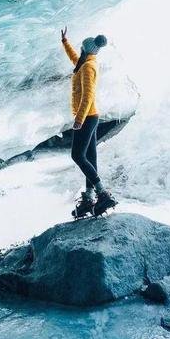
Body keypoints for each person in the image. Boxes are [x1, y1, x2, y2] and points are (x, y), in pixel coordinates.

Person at [61, 26, 117, 218]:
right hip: (90, 116)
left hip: (87, 117)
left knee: (77, 155)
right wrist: (65, 42)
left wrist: (79, 119)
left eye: (81, 48)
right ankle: (89, 198)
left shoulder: (88, 67)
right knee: (90, 158)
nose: (80, 50)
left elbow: (88, 95)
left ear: (86, 49)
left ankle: (102, 193)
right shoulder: (85, 62)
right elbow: (74, 59)